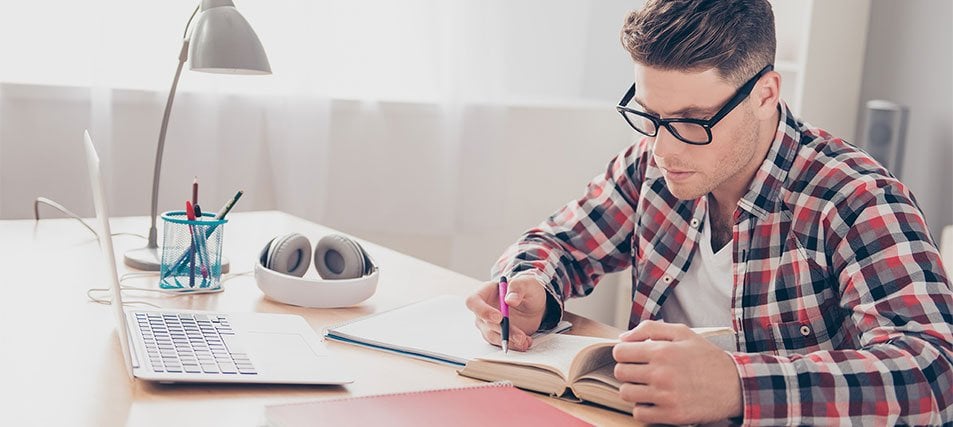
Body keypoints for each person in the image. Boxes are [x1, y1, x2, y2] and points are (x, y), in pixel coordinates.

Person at [465, 0, 953, 424]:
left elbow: (934, 372)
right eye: (650, 116)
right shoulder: (649, 165)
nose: (662, 150)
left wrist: (738, 387)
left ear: (765, 95)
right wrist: (531, 288)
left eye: (691, 122)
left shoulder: (854, 198)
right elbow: (559, 244)